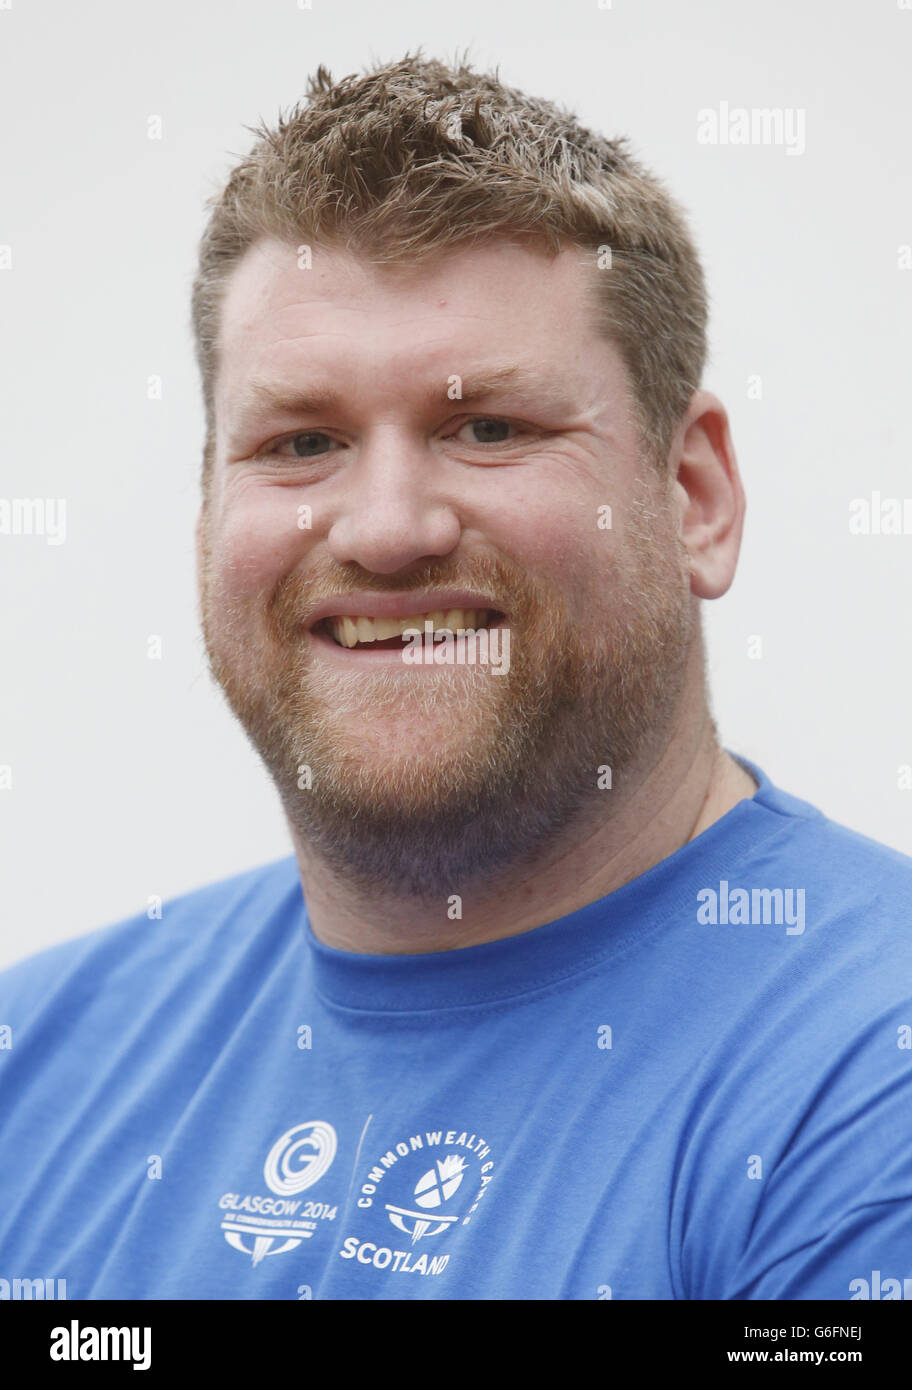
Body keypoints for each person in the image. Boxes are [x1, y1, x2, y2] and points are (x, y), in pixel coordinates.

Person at [1, 52, 910, 1302]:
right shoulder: (33, 1064)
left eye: (488, 427)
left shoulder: (870, 1073)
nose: (385, 529)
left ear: (693, 496)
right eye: (300, 442)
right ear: (207, 506)